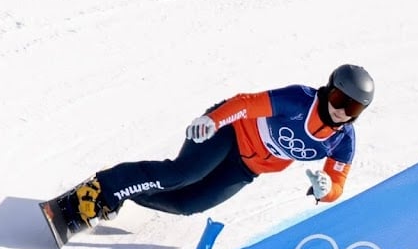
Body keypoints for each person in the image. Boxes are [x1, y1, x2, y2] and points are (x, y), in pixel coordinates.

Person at [54, 64, 374, 234]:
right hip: (229, 133)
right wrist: (212, 120)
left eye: (354, 108)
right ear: (328, 90)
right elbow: (247, 104)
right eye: (339, 100)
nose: (342, 112)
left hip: (248, 168)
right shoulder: (298, 100)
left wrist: (326, 188)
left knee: (187, 204)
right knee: (181, 174)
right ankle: (99, 193)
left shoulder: (343, 140)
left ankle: (122, 189)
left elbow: (338, 184)